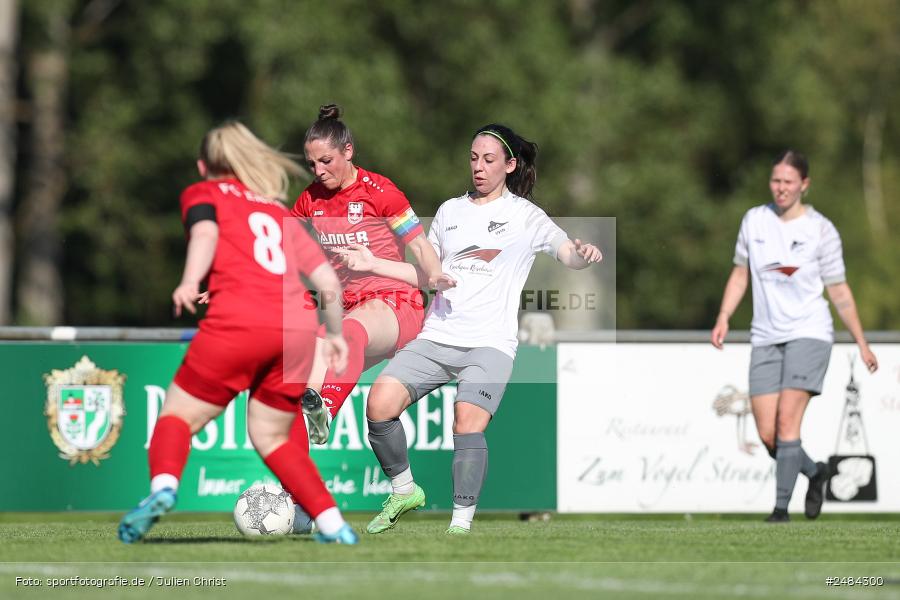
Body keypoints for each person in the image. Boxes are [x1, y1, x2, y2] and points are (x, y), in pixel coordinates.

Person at [338, 123, 602, 534]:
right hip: (437, 335)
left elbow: (567, 253)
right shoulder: (449, 211)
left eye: (489, 159)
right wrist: (373, 263)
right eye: (474, 158)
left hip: (489, 344)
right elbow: (429, 274)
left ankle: (460, 527)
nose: (478, 167)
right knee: (379, 405)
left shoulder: (526, 216)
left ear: (509, 165)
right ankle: (404, 490)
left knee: (466, 422)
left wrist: (582, 255)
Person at [118, 121, 358, 544]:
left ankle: (163, 488)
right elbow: (325, 279)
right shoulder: (277, 210)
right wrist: (335, 334)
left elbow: (206, 233)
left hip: (239, 323)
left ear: (203, 166)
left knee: (177, 416)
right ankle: (334, 524)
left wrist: (190, 280)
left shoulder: (204, 193)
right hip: (296, 332)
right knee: (273, 437)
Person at [711, 149, 879, 523]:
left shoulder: (821, 230)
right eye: (776, 180)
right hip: (765, 336)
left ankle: (780, 511)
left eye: (788, 181)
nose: (781, 188)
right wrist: (724, 316)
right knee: (769, 434)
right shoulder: (754, 220)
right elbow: (740, 274)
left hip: (810, 332)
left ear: (804, 184)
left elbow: (839, 291)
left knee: (788, 423)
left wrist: (861, 342)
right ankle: (816, 472)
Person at [288, 104, 443, 447]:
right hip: (349, 308)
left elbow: (420, 246)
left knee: (345, 334)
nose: (319, 171)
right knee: (303, 383)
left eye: (326, 161)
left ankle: (327, 408)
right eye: (312, 164)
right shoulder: (310, 199)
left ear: (348, 151)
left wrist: (436, 275)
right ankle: (301, 462)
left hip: (395, 304)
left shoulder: (380, 192)